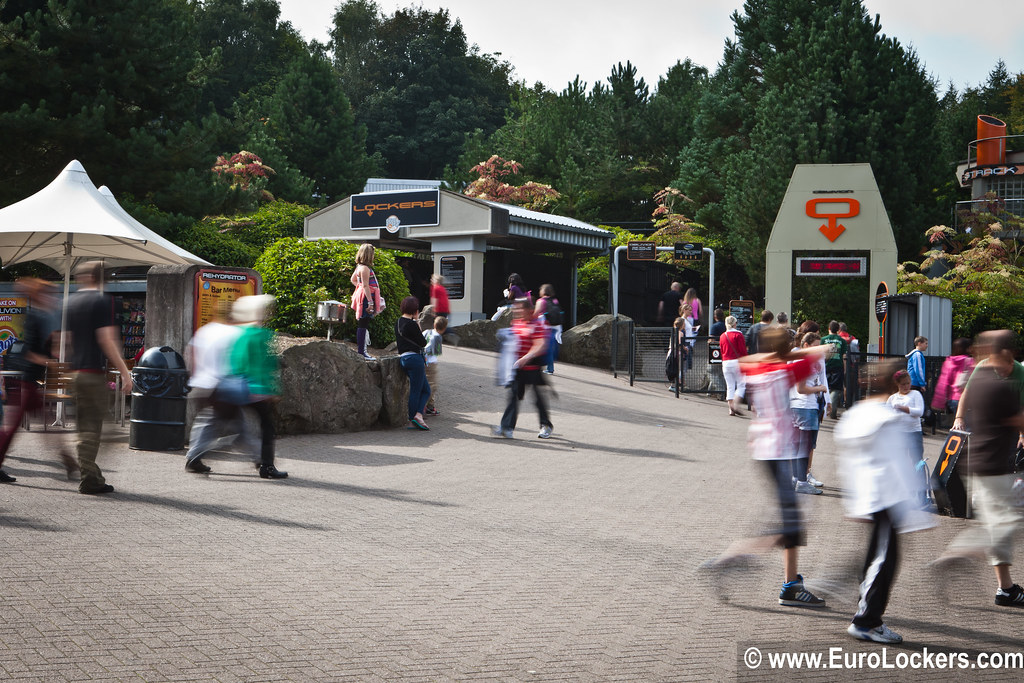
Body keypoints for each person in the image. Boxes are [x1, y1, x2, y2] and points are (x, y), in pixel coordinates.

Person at [704, 327, 830, 608]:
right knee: (791, 527)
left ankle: (791, 583)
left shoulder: (758, 367)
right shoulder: (783, 372)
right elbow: (822, 352)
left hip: (765, 449)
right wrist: (794, 352)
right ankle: (729, 561)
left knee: (792, 523)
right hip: (777, 451)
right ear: (785, 349)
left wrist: (777, 353)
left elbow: (747, 361)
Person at [836, 359, 933, 643]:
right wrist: (917, 512)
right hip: (887, 499)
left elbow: (849, 461)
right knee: (883, 561)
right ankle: (866, 621)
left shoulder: (856, 414)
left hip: (871, 497)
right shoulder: (887, 419)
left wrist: (855, 501)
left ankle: (866, 611)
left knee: (877, 558)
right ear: (895, 385)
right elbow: (899, 468)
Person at [938, 331, 1024, 608]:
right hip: (997, 464)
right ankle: (957, 555)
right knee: (1004, 524)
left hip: (984, 462)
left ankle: (1005, 588)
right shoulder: (994, 381)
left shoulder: (993, 375)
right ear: (1008, 351)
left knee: (998, 523)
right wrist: (960, 416)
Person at [64, 261, 133, 495]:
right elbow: (107, 340)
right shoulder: (102, 301)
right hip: (92, 374)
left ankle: (93, 477)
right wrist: (124, 371)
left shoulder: (71, 302)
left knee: (86, 427)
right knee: (95, 431)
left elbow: (67, 340)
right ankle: (90, 480)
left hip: (76, 372)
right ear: (100, 278)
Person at [0, 278, 76, 482]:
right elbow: (29, 353)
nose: (53, 297)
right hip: (25, 381)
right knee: (15, 427)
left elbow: (50, 348)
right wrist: (51, 363)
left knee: (45, 425)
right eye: (49, 294)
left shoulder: (45, 317)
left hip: (31, 382)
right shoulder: (35, 317)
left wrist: (61, 342)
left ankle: (67, 459)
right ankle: (68, 459)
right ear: (39, 295)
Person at [183, 301, 258, 474]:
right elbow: (238, 360)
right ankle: (258, 457)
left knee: (213, 421)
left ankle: (195, 457)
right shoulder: (233, 333)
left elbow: (191, 353)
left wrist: (195, 376)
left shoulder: (204, 331)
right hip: (223, 385)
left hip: (202, 385)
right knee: (233, 424)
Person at [230, 294, 287, 479]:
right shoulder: (264, 335)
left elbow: (236, 361)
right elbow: (267, 364)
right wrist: (273, 389)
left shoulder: (241, 334)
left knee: (234, 423)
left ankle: (201, 453)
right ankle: (267, 466)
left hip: (240, 387)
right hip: (258, 389)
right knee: (268, 428)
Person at [493, 298, 551, 439]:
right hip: (518, 370)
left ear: (528, 310)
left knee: (538, 399)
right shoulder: (516, 323)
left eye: (519, 308)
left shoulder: (536, 325)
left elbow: (540, 345)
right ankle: (507, 427)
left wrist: (526, 357)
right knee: (513, 397)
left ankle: (546, 425)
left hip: (533, 369)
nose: (516, 311)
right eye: (515, 308)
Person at [790, 332, 829, 494]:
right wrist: (820, 388)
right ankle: (801, 481)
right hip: (804, 406)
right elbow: (801, 388)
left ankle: (796, 479)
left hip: (802, 406)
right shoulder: (802, 360)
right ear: (806, 345)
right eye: (815, 346)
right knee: (804, 447)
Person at [396, 296, 431, 430]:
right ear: (415, 310)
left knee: (426, 389)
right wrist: (417, 320)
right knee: (417, 390)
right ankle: (414, 417)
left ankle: (417, 416)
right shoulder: (412, 324)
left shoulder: (398, 322)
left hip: (404, 359)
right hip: (415, 359)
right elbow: (423, 342)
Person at [887, 370, 925, 478]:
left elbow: (919, 412)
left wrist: (903, 408)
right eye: (903, 384)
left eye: (908, 383)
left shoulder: (915, 394)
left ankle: (921, 491)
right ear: (897, 384)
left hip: (914, 433)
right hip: (898, 434)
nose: (906, 386)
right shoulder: (892, 398)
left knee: (917, 461)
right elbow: (887, 415)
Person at [350, 243, 382, 360]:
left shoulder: (359, 267)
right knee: (363, 323)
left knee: (364, 323)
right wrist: (370, 301)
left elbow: (353, 279)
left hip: (365, 297)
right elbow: (365, 285)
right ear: (369, 255)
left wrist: (359, 288)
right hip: (366, 299)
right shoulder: (365, 268)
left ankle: (362, 350)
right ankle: (362, 352)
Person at [931, 337, 974, 419]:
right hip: (966, 398)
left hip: (952, 400)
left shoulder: (949, 362)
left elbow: (943, 383)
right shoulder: (970, 361)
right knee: (969, 427)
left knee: (960, 423)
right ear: (967, 348)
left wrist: (938, 402)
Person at [719, 315, 747, 416]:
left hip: (725, 362)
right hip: (737, 362)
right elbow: (742, 350)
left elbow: (722, 350)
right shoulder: (738, 335)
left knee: (730, 386)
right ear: (735, 323)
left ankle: (731, 408)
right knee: (741, 384)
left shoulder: (723, 336)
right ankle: (735, 404)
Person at [821, 321, 848, 419]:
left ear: (829, 328)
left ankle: (822, 411)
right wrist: (844, 368)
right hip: (838, 366)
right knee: (836, 389)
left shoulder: (823, 339)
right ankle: (832, 412)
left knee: (824, 388)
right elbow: (844, 356)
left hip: (825, 366)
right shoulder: (842, 341)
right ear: (838, 330)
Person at [534, 284, 561, 374]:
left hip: (545, 326)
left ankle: (540, 366)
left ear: (543, 291)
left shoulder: (541, 301)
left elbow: (536, 314)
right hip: (555, 326)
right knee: (550, 347)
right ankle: (550, 367)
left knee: (543, 347)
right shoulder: (555, 300)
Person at [422, 315, 446, 416]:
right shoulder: (437, 337)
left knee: (426, 383)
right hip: (431, 363)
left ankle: (430, 406)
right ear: (444, 328)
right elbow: (436, 351)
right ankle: (426, 405)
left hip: (423, 361)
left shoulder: (426, 331)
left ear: (434, 324)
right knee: (432, 385)